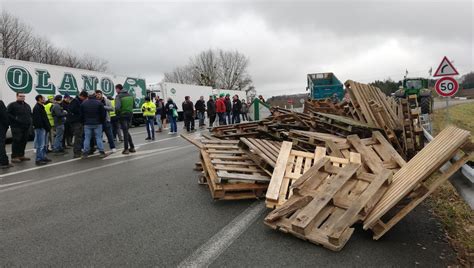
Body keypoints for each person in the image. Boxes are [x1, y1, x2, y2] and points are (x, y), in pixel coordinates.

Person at [80, 92, 107, 158]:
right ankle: (101, 152)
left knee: (87, 138)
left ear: (88, 96)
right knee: (98, 138)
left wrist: (84, 122)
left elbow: (81, 115)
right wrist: (101, 121)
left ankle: (85, 153)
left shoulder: (84, 103)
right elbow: (103, 114)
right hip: (97, 123)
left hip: (87, 123)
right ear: (94, 95)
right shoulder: (99, 103)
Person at [7, 92, 32, 163]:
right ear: (17, 96)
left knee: (24, 141)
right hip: (16, 127)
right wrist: (16, 118)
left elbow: (30, 115)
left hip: (26, 127)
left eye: (23, 96)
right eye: (20, 96)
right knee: (17, 141)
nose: (22, 97)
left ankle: (21, 155)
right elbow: (8, 114)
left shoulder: (27, 105)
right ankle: (14, 157)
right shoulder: (12, 105)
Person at [115, 84, 136, 154]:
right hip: (130, 114)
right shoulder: (130, 95)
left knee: (125, 131)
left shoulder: (118, 96)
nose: (116, 91)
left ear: (118, 89)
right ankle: (132, 147)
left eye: (116, 89)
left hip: (122, 115)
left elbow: (117, 107)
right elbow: (134, 106)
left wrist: (117, 114)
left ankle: (126, 149)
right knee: (126, 130)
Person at [32, 95, 52, 165]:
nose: (44, 99)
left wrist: (47, 127)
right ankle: (38, 159)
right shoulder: (37, 108)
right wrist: (42, 127)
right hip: (40, 128)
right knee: (40, 145)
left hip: (44, 128)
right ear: (39, 99)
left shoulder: (41, 107)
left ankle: (43, 157)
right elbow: (37, 120)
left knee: (44, 144)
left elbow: (45, 118)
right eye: (43, 98)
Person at [68, 91, 87, 158]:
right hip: (76, 121)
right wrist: (80, 112)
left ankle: (78, 150)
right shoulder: (75, 101)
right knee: (78, 137)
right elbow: (72, 109)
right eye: (84, 98)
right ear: (82, 96)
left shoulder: (78, 101)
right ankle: (77, 152)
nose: (84, 99)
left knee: (80, 136)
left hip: (79, 121)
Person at [0, 99, 12, 169]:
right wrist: (7, 125)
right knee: (1, 145)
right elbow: (4, 115)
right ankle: (4, 162)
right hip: (1, 127)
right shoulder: (0, 103)